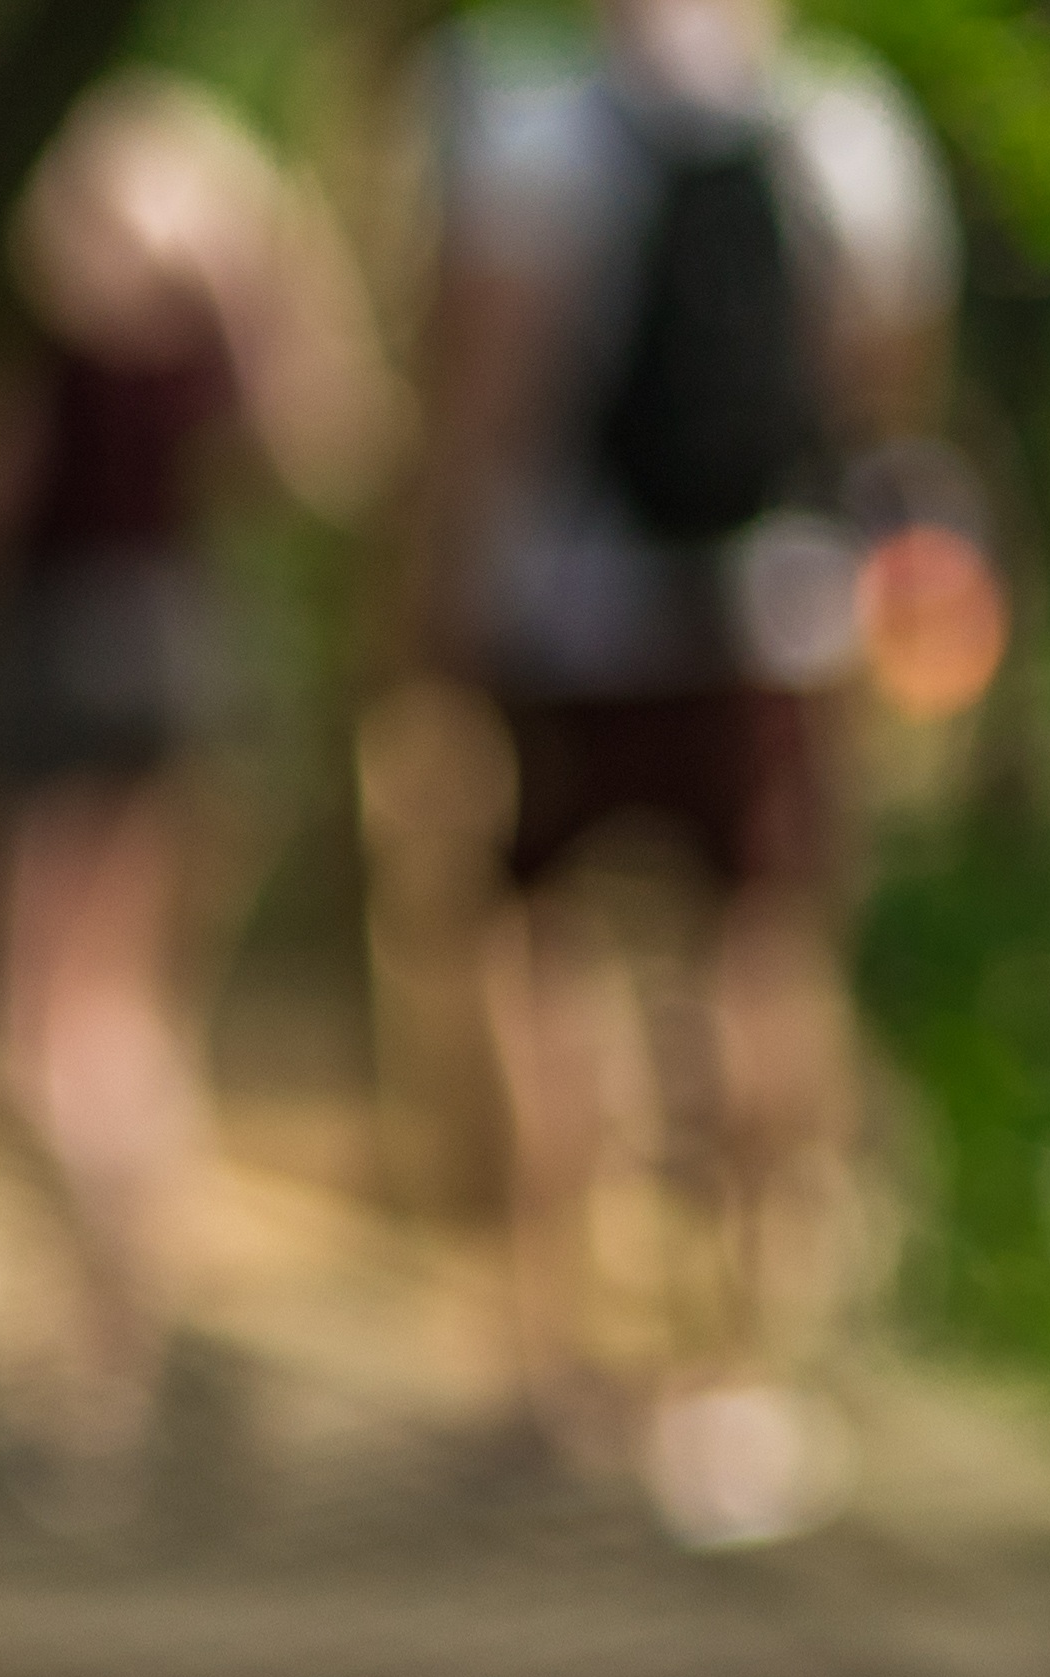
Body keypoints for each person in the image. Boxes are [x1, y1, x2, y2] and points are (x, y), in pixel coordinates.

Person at [404, 0, 953, 1546]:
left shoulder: (533, 124)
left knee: (543, 968)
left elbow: (485, 396)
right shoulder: (843, 126)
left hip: (565, 620)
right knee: (763, 961)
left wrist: (435, 597)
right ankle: (737, 1376)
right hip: (778, 621)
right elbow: (884, 389)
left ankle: (547, 1359)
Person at [0, 71, 394, 1524]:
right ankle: (102, 1345)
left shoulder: (57, 193)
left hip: (63, 638)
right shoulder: (229, 192)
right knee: (139, 1014)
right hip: (197, 644)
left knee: (48, 1029)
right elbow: (326, 450)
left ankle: (95, 1371)